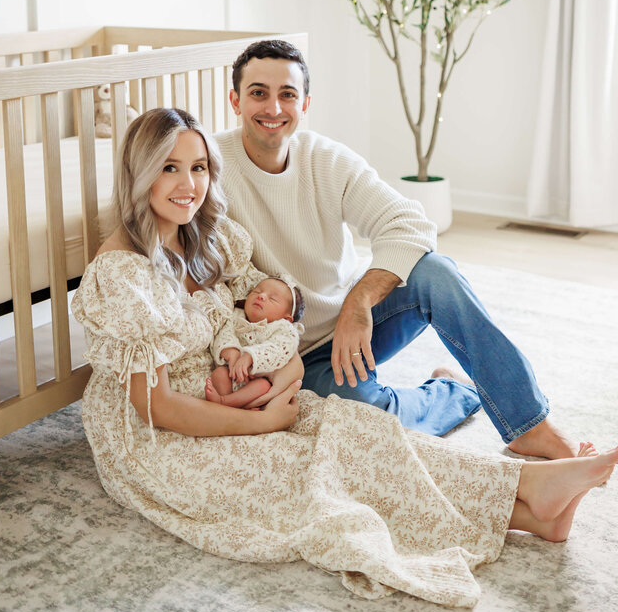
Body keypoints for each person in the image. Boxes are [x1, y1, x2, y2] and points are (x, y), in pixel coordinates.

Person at [73, 107, 618, 608]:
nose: (188, 184)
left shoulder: (208, 238)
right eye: (170, 168)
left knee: (358, 432)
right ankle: (526, 502)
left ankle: (528, 502)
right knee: (305, 474)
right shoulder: (123, 273)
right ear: (140, 173)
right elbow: (155, 407)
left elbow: (270, 319)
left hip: (240, 389)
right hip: (159, 438)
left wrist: (282, 377)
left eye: (198, 169)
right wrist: (261, 420)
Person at [216, 40, 586, 456]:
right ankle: (453, 392)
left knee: (437, 273)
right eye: (258, 93)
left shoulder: (325, 159)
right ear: (235, 100)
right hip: (289, 357)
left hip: (353, 326)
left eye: (287, 94)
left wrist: (358, 302)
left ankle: (527, 424)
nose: (273, 108)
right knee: (366, 420)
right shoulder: (208, 166)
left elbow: (412, 223)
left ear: (305, 104)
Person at [204, 275, 304, 409]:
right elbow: (225, 335)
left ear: (287, 318)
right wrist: (231, 353)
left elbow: (279, 348)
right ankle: (227, 405)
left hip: (256, 381)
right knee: (219, 374)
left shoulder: (284, 329)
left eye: (273, 299)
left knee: (262, 386)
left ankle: (225, 402)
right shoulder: (236, 316)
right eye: (256, 291)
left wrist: (250, 356)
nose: (261, 296)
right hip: (232, 374)